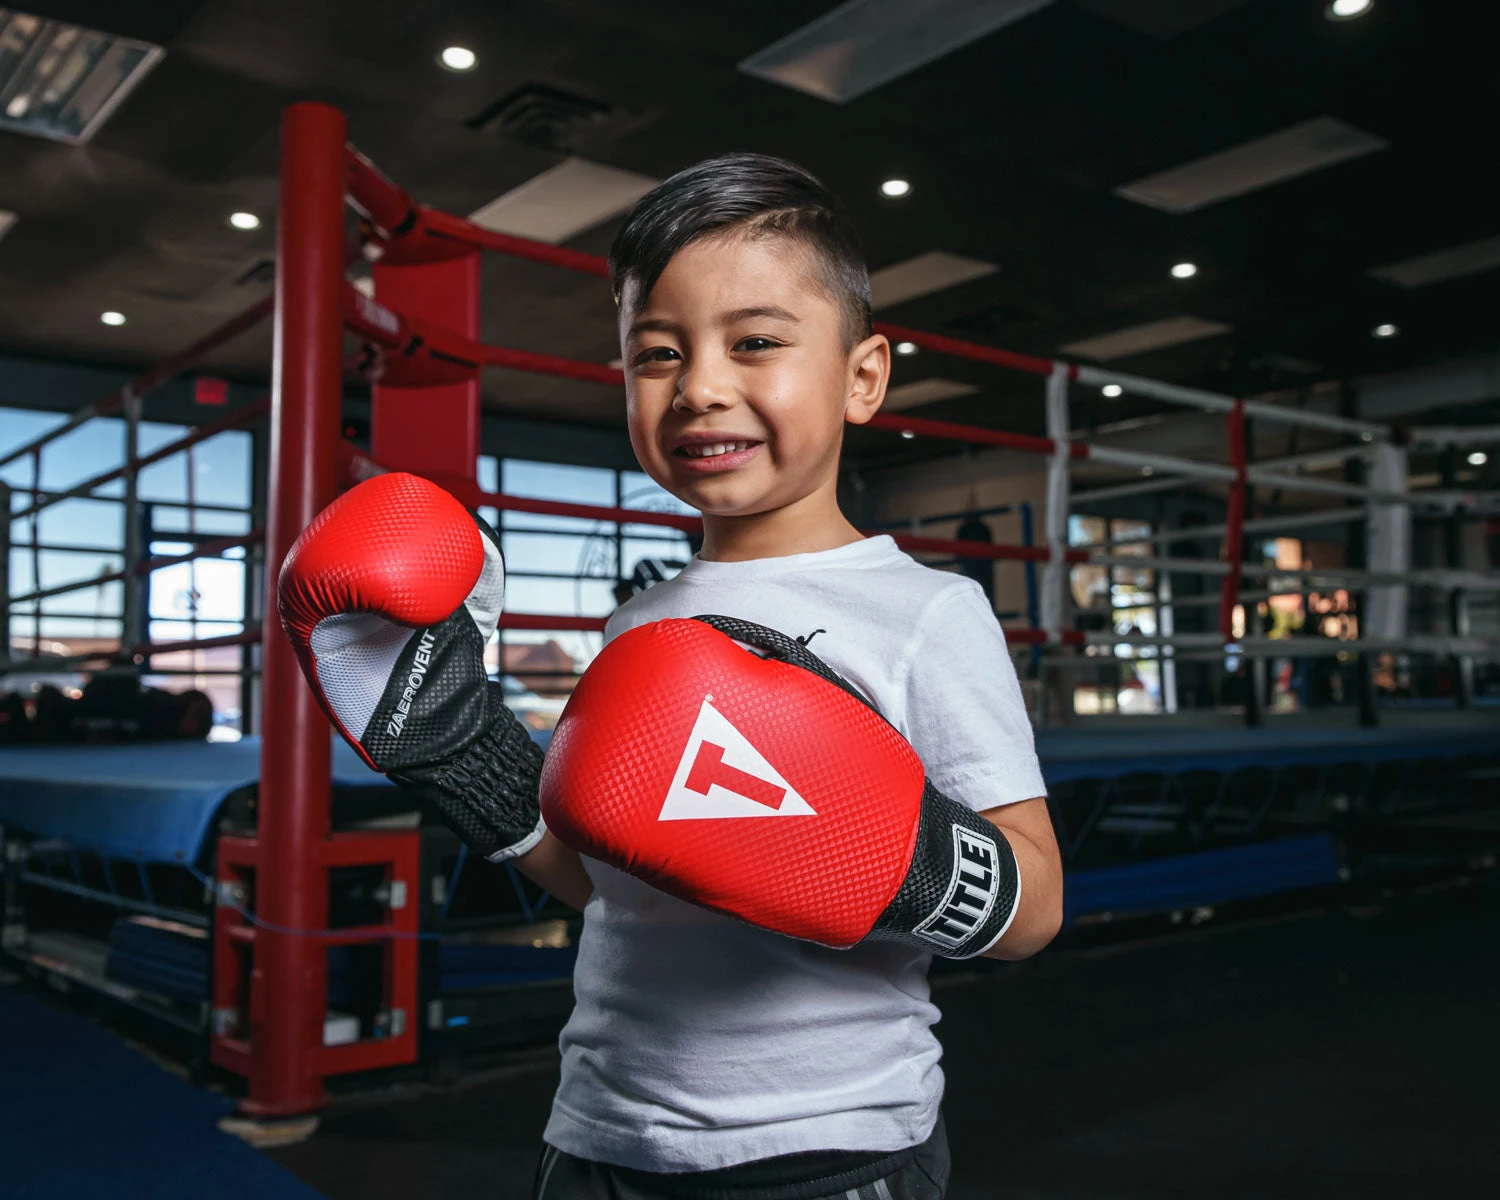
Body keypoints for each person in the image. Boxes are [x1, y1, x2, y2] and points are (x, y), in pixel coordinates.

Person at [280, 153, 1061, 1198]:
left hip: (831, 1141)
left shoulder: (923, 612)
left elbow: (1035, 908)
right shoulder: (640, 620)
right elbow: (611, 878)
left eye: (756, 342)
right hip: (601, 1128)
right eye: (657, 353)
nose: (699, 387)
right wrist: (464, 753)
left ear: (863, 377)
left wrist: (891, 853)